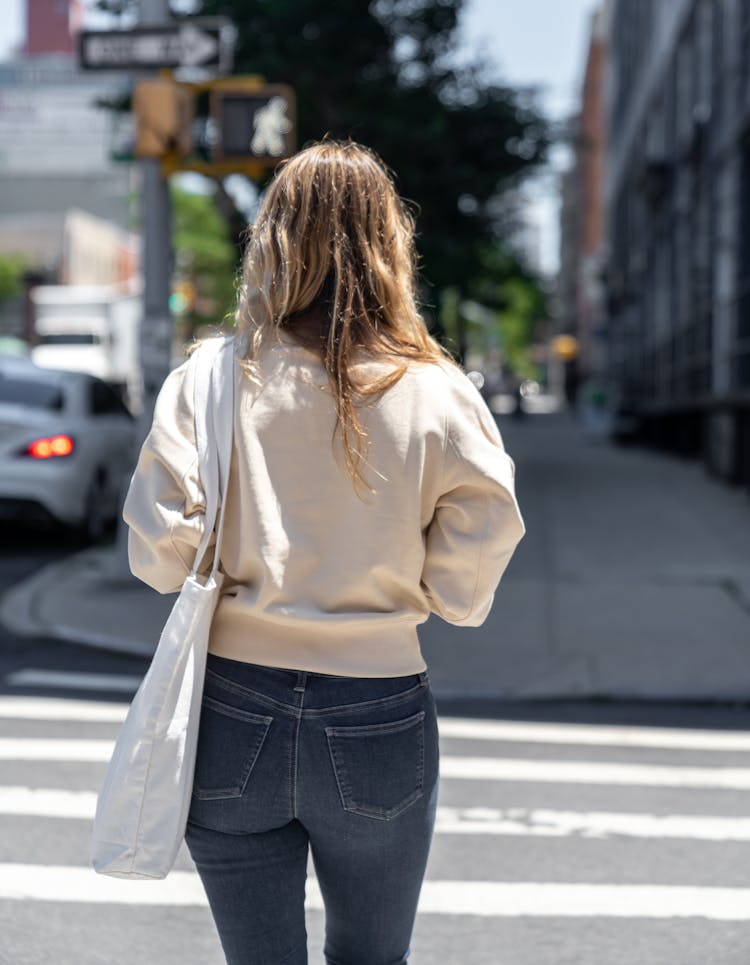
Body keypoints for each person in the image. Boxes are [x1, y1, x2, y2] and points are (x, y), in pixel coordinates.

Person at [123, 140, 525, 965]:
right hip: (379, 709)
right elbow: (470, 573)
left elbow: (161, 554)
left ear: (272, 240)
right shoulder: (439, 390)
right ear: (390, 245)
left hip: (233, 708)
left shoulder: (210, 377)